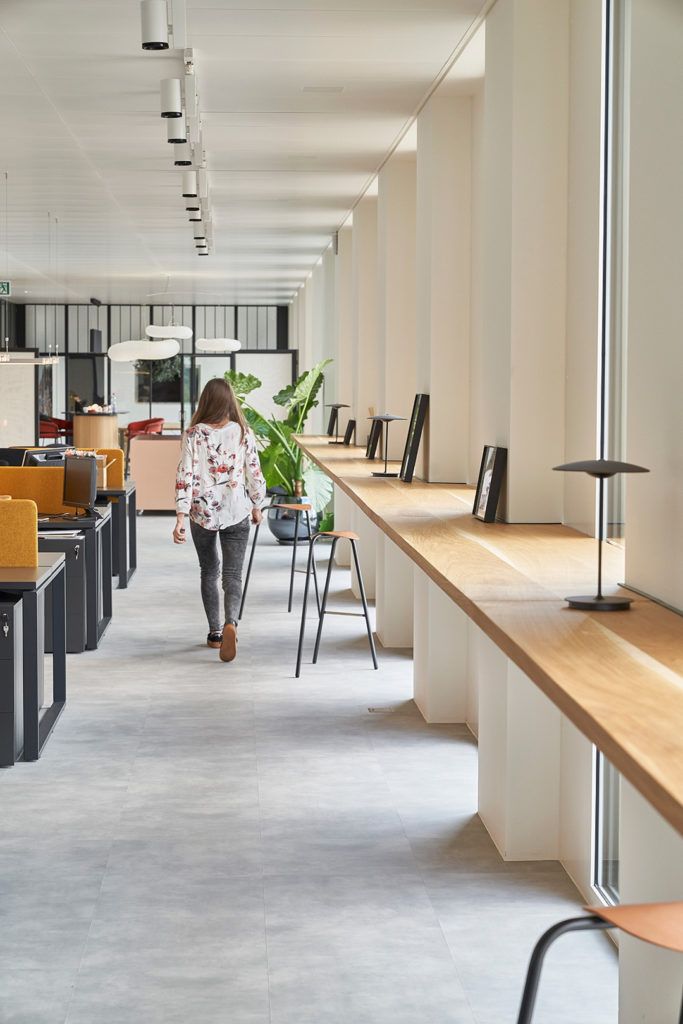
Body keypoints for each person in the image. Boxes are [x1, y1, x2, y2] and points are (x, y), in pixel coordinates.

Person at [173, 377, 266, 662]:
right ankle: (231, 624)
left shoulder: (193, 434)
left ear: (205, 402)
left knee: (209, 571)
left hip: (201, 512)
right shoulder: (243, 433)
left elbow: (184, 475)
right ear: (229, 402)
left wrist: (180, 515)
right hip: (236, 509)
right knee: (233, 574)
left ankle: (215, 633)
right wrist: (257, 504)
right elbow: (254, 472)